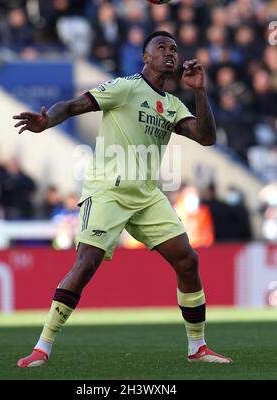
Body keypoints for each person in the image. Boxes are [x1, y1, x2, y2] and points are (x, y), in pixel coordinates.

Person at [13, 30, 232, 367]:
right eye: (161, 48)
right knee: (86, 264)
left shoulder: (172, 105)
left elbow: (206, 137)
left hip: (146, 195)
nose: (170, 53)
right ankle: (42, 347)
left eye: (174, 48)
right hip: (108, 191)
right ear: (145, 57)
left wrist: (200, 92)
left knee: (187, 260)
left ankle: (197, 347)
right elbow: (73, 105)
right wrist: (47, 121)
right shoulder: (125, 87)